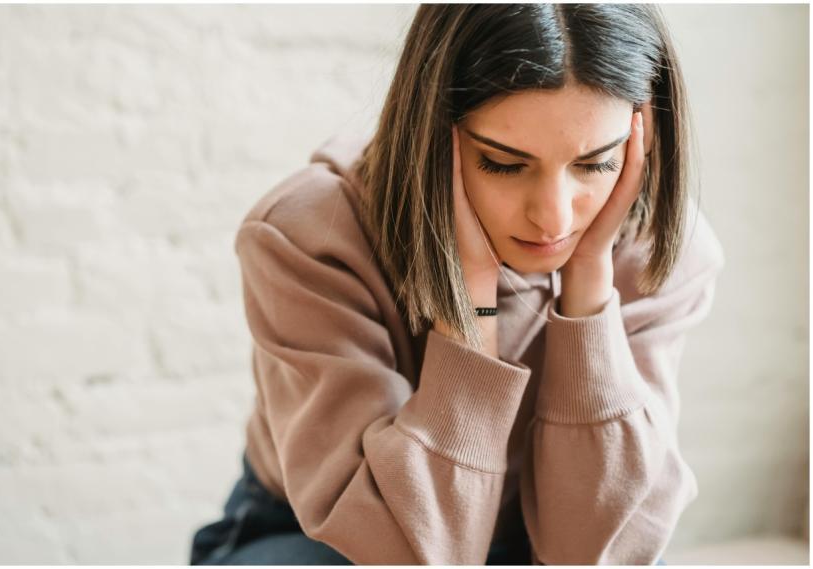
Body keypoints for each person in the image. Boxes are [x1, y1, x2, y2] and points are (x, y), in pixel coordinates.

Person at [190, 4, 724, 565]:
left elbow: (587, 552)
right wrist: (467, 300)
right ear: (429, 133)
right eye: (502, 163)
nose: (556, 219)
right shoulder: (309, 238)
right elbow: (411, 552)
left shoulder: (660, 246)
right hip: (329, 533)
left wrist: (588, 288)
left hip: (533, 534)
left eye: (595, 164)